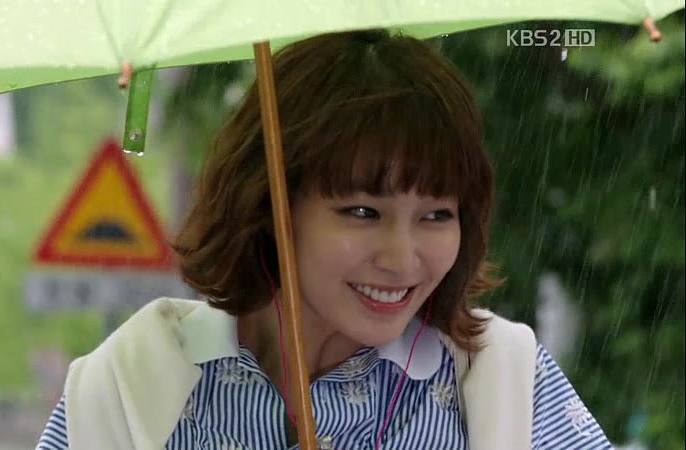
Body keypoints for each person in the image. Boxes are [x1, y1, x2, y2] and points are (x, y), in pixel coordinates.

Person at [35, 29, 613, 450]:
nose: (402, 258)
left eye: (437, 214)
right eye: (363, 211)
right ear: (268, 202)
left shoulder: (505, 382)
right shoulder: (124, 386)